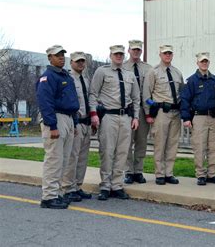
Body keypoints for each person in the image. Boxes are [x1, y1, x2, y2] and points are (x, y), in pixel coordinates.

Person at [89, 45, 140, 201]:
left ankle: (117, 185)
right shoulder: (102, 72)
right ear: (110, 55)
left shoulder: (129, 75)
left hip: (125, 118)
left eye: (121, 54)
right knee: (107, 151)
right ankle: (105, 185)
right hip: (108, 117)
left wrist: (136, 117)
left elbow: (136, 98)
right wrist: (93, 114)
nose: (119, 56)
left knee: (122, 152)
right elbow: (93, 94)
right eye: (116, 54)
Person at [36, 45, 80, 209]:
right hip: (56, 118)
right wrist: (52, 125)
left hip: (68, 118)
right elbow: (45, 103)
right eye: (57, 55)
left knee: (64, 159)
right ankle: (48, 197)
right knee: (54, 159)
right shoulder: (48, 77)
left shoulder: (66, 76)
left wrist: (74, 123)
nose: (61, 57)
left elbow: (72, 101)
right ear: (50, 58)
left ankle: (57, 193)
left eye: (62, 54)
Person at [143, 45, 184, 185]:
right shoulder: (153, 72)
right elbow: (146, 95)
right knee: (160, 144)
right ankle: (160, 174)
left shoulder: (177, 73)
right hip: (161, 112)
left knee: (173, 144)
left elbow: (181, 93)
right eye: (165, 53)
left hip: (175, 112)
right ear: (160, 54)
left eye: (170, 53)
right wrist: (149, 113)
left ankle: (169, 173)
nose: (167, 55)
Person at [180, 52, 215, 186]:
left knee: (213, 147)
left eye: (206, 61)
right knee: (200, 146)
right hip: (199, 117)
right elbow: (185, 100)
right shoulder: (192, 80)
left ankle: (212, 174)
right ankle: (200, 174)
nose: (204, 63)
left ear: (209, 63)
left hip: (213, 117)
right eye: (202, 61)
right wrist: (186, 118)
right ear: (197, 63)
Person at [62, 51, 93, 202]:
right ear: (71, 62)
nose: (81, 63)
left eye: (83, 61)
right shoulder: (68, 79)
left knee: (83, 158)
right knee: (72, 157)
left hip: (87, 122)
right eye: (78, 61)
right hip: (76, 122)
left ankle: (77, 187)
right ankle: (68, 188)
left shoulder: (85, 79)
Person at [123, 40, 152, 184]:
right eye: (133, 50)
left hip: (142, 108)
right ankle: (129, 171)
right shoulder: (123, 67)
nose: (136, 52)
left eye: (138, 50)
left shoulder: (148, 68)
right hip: (128, 110)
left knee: (141, 141)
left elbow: (151, 90)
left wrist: (149, 111)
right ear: (129, 50)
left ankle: (138, 171)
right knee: (127, 141)